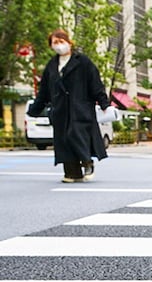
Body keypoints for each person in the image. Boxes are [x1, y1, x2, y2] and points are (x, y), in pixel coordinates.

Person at [27, 29, 111, 183]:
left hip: (80, 108)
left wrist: (104, 103)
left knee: (76, 134)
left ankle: (87, 162)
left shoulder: (83, 62)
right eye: (55, 43)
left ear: (69, 42)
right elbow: (44, 91)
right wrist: (34, 110)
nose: (59, 45)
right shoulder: (52, 66)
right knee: (64, 140)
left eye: (61, 41)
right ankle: (72, 173)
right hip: (60, 110)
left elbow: (95, 84)